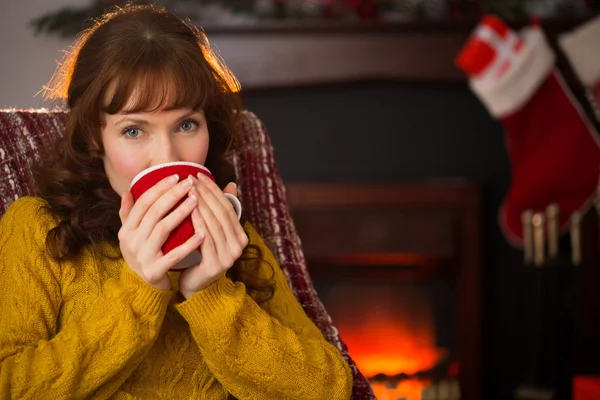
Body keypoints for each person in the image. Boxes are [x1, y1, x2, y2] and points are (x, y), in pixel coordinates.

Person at [0, 4, 353, 399]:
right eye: (134, 130)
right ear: (94, 137)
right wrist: (139, 290)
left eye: (187, 124)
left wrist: (211, 294)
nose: (168, 156)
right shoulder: (37, 229)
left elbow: (330, 389)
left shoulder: (235, 240)